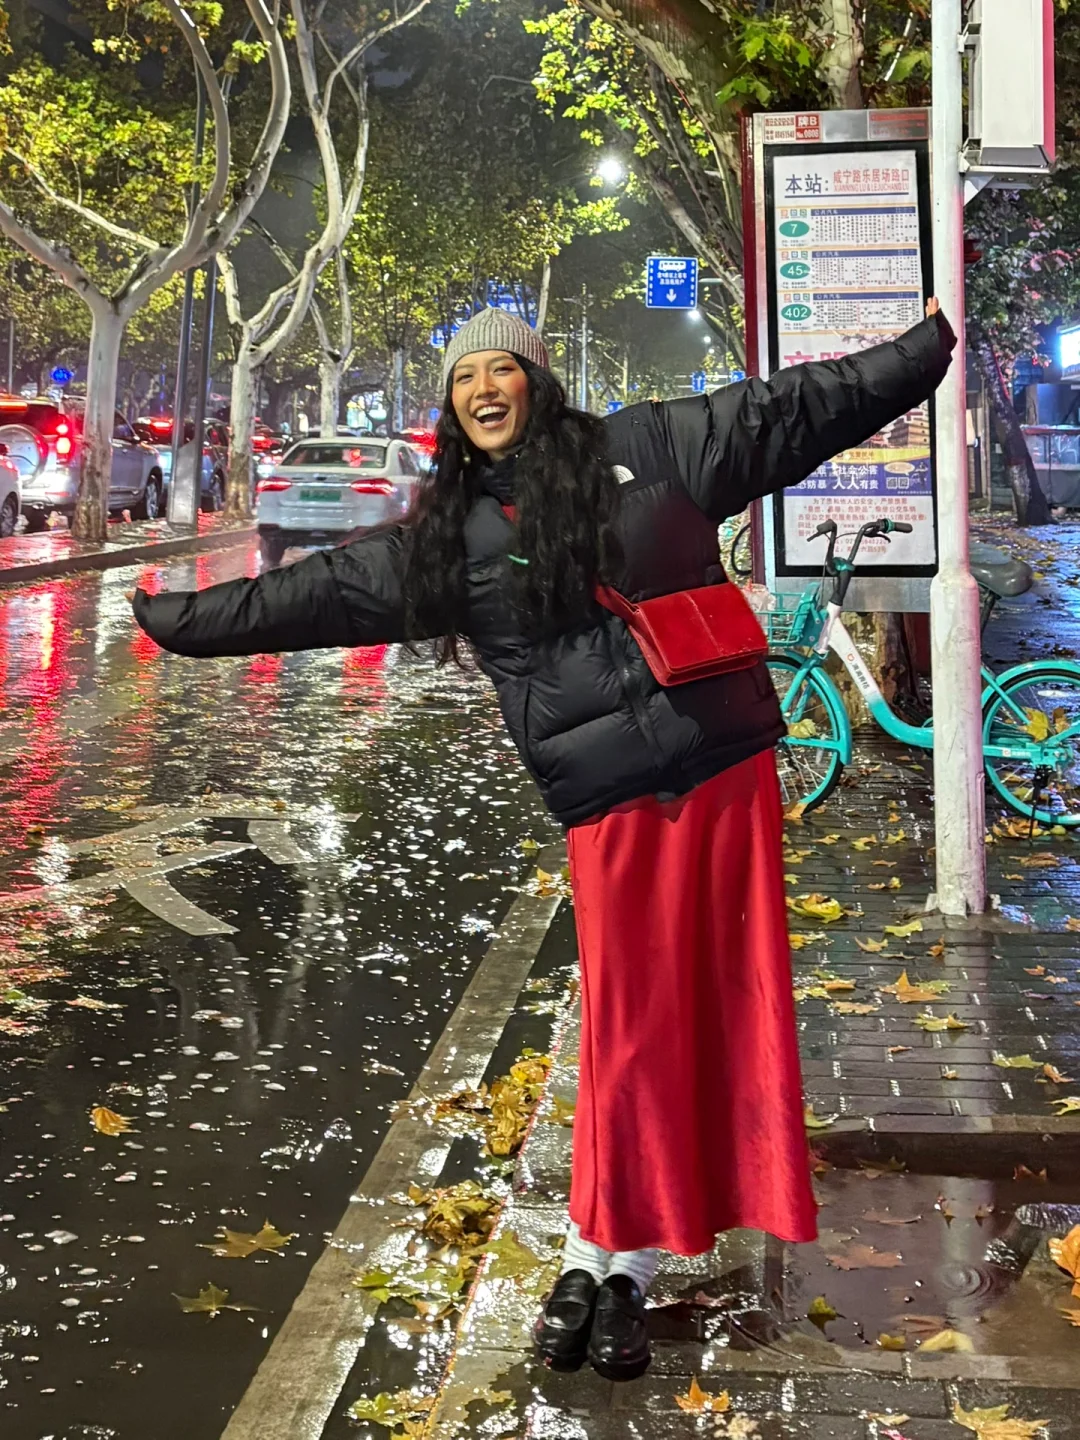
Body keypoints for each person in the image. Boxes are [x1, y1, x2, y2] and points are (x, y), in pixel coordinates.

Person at [131, 301, 954, 1382]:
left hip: (720, 772)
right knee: (628, 1031)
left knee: (721, 1009)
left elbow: (794, 409)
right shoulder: (450, 535)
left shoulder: (653, 446)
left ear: (537, 378)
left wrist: (921, 350)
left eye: (502, 369)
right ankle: (597, 1251)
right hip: (609, 801)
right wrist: (186, 620)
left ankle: (628, 1263)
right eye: (465, 376)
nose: (484, 388)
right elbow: (319, 592)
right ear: (451, 402)